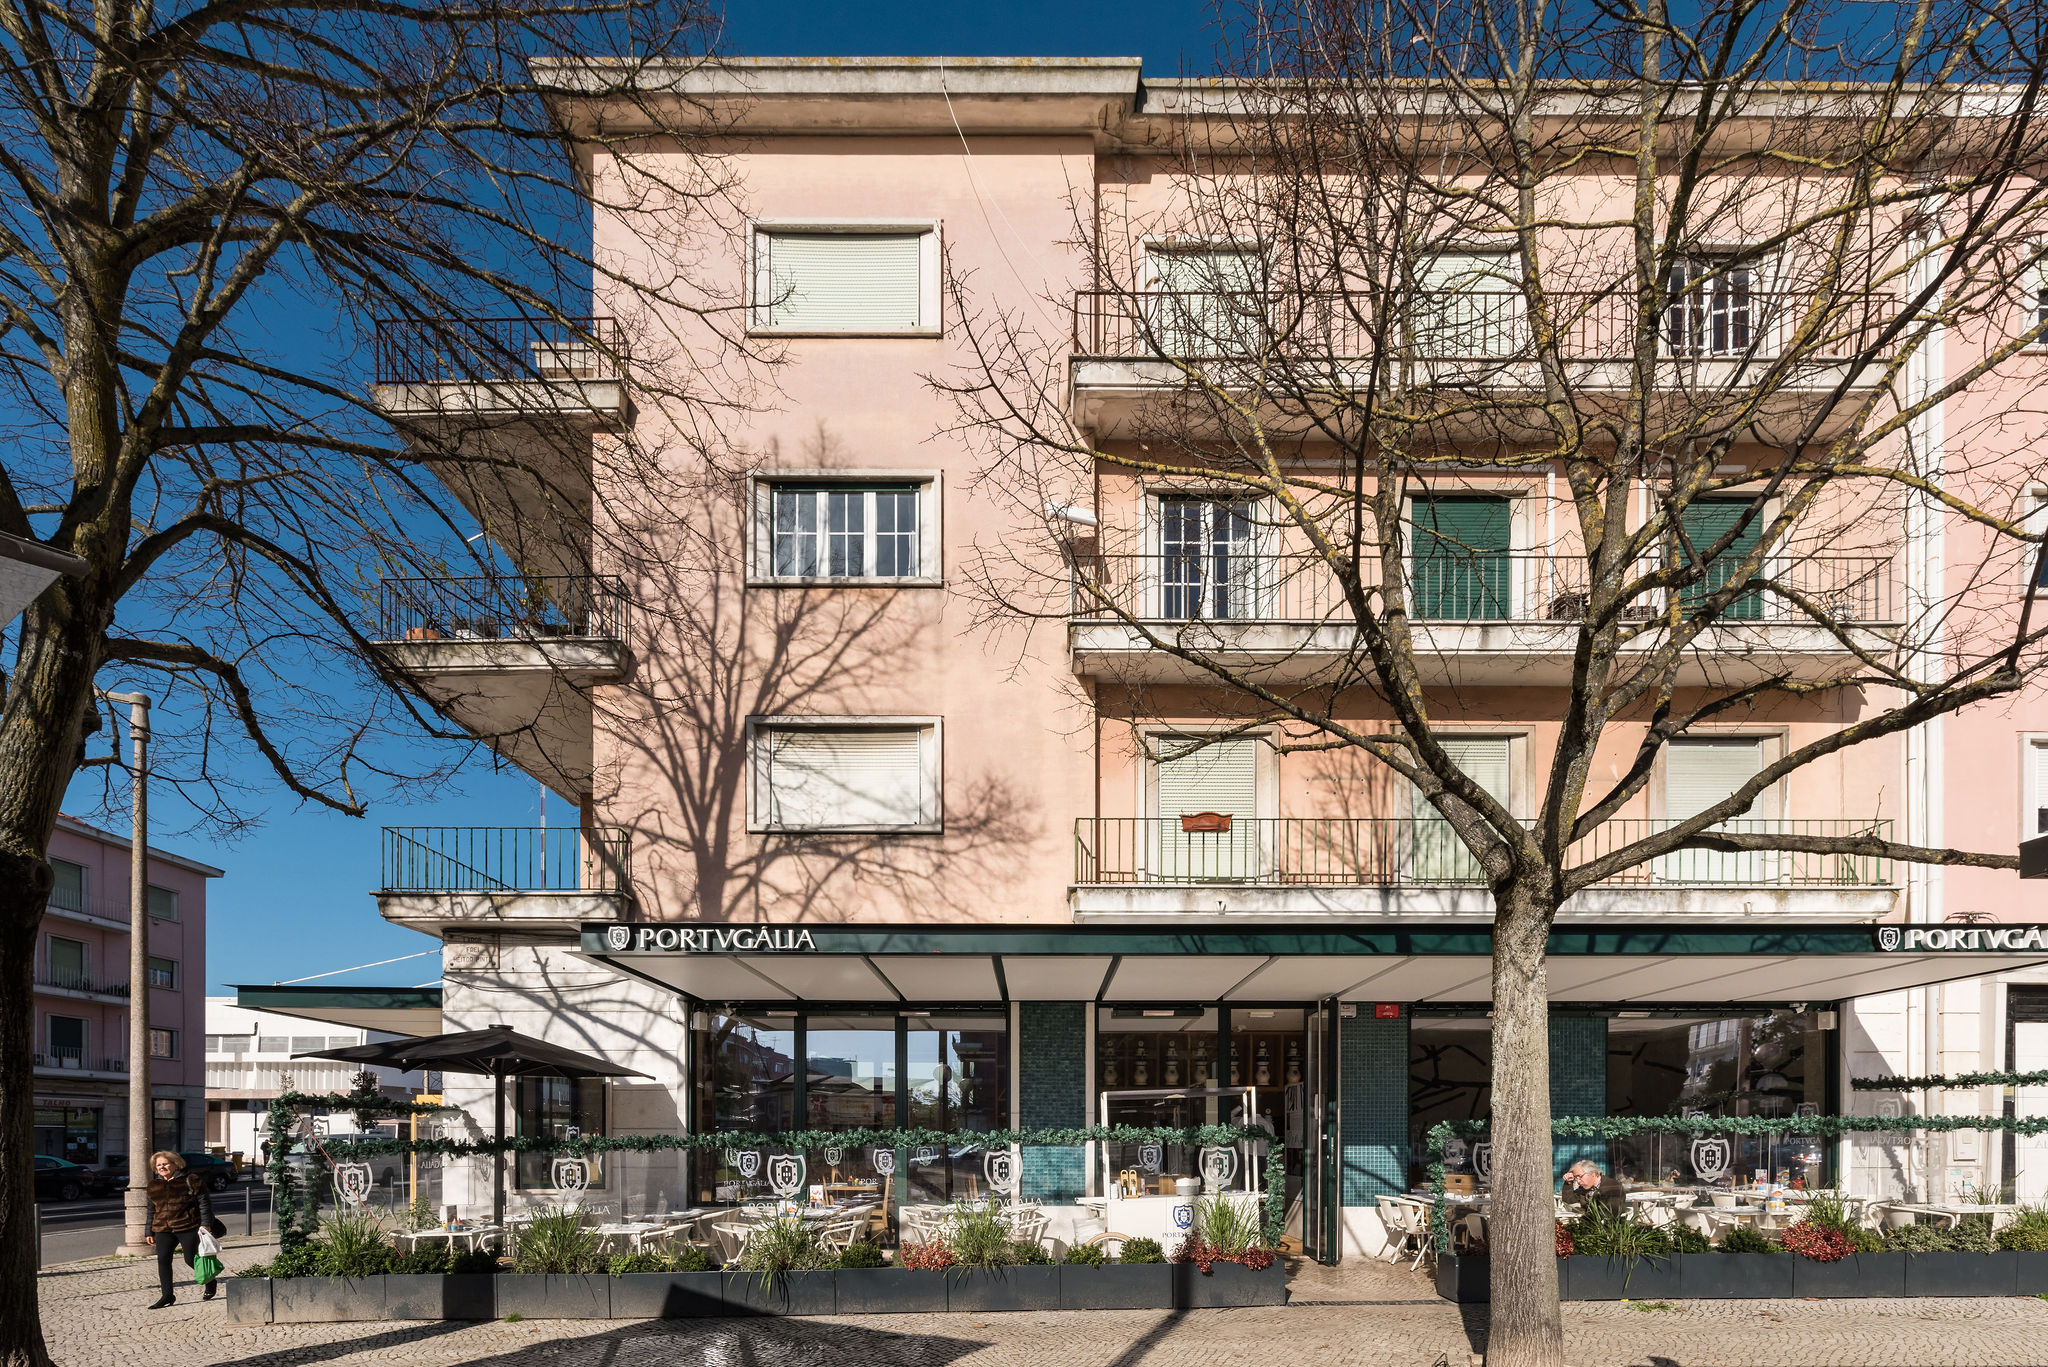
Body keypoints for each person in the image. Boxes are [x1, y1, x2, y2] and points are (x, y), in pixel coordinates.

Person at [143, 1150, 215, 1308]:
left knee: (191, 1259)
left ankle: (210, 1281)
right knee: (163, 1260)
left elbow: (204, 1203)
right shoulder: (153, 1186)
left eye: (165, 1164)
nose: (162, 1167)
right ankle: (167, 1295)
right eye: (159, 1165)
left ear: (176, 1164)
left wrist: (206, 1223)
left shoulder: (191, 1180)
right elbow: (151, 1211)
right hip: (163, 1228)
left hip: (187, 1226)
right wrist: (149, 1231)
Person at [1560, 1158, 1627, 1217]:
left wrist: (1582, 1212)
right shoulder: (1585, 1188)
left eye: (1580, 1176)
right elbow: (1569, 1203)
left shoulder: (1612, 1187)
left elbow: (1607, 1213)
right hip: (1588, 1224)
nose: (1578, 1181)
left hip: (1606, 1226)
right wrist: (1569, 1182)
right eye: (1576, 1178)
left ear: (1592, 1174)